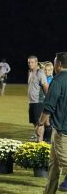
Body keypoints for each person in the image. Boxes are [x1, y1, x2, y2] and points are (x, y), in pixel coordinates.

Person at [37, 52, 67, 193]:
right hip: (59, 129)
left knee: (64, 163)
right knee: (54, 165)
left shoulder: (58, 80)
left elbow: (48, 107)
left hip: (63, 131)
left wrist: (40, 124)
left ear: (59, 64)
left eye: (55, 62)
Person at [27, 55, 48, 141]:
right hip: (32, 102)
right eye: (29, 62)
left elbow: (45, 86)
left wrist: (47, 99)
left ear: (36, 63)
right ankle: (37, 139)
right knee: (34, 122)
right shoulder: (30, 72)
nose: (30, 64)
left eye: (32, 62)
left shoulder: (40, 73)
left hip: (38, 102)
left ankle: (40, 142)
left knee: (39, 123)